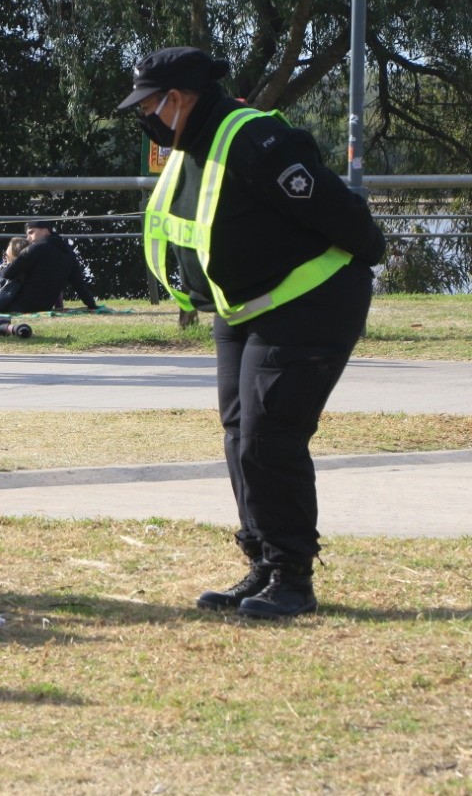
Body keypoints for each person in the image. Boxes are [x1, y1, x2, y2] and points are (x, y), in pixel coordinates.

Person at [119, 46, 385, 618]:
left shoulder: (255, 139)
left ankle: (293, 578)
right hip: (241, 309)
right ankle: (262, 563)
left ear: (177, 98)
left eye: (147, 105)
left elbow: (336, 211)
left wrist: (369, 255)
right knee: (240, 435)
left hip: (310, 300)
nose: (144, 117)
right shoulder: (192, 146)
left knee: (271, 436)